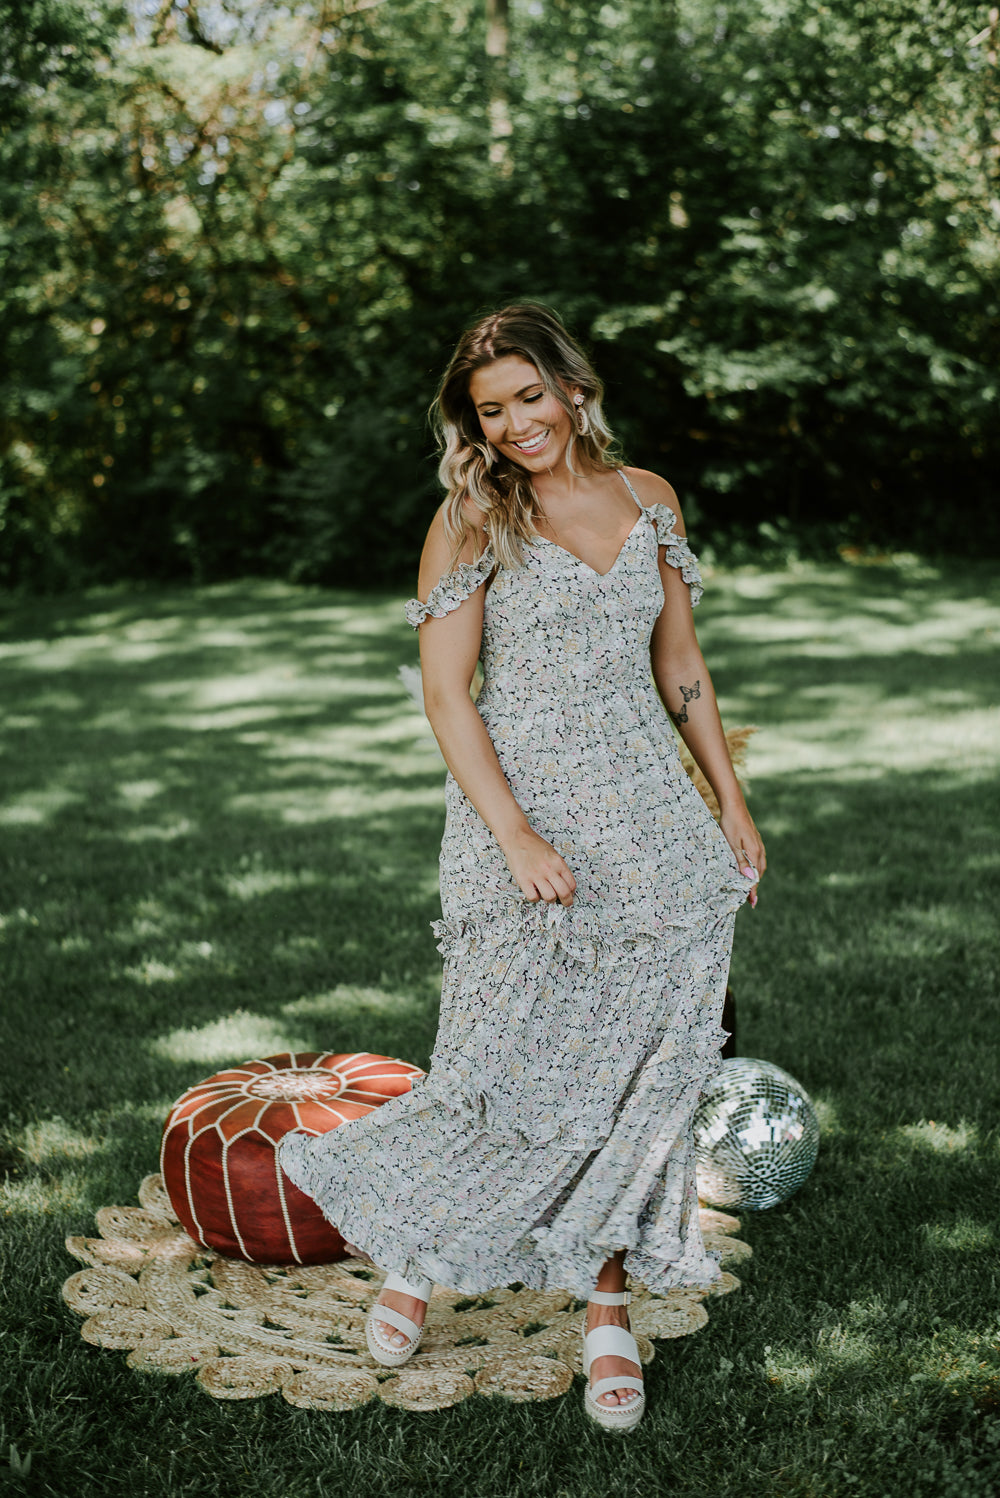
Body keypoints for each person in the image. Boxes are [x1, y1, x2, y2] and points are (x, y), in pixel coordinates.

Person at [278, 302, 765, 1431]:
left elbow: (680, 663)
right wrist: (514, 836)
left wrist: (731, 801)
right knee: (496, 1057)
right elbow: (447, 696)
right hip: (521, 818)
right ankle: (418, 1260)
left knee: (635, 1071)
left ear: (572, 389)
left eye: (528, 397)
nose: (513, 425)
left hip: (651, 823)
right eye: (490, 410)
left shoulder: (650, 497)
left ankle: (606, 1303)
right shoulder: (471, 515)